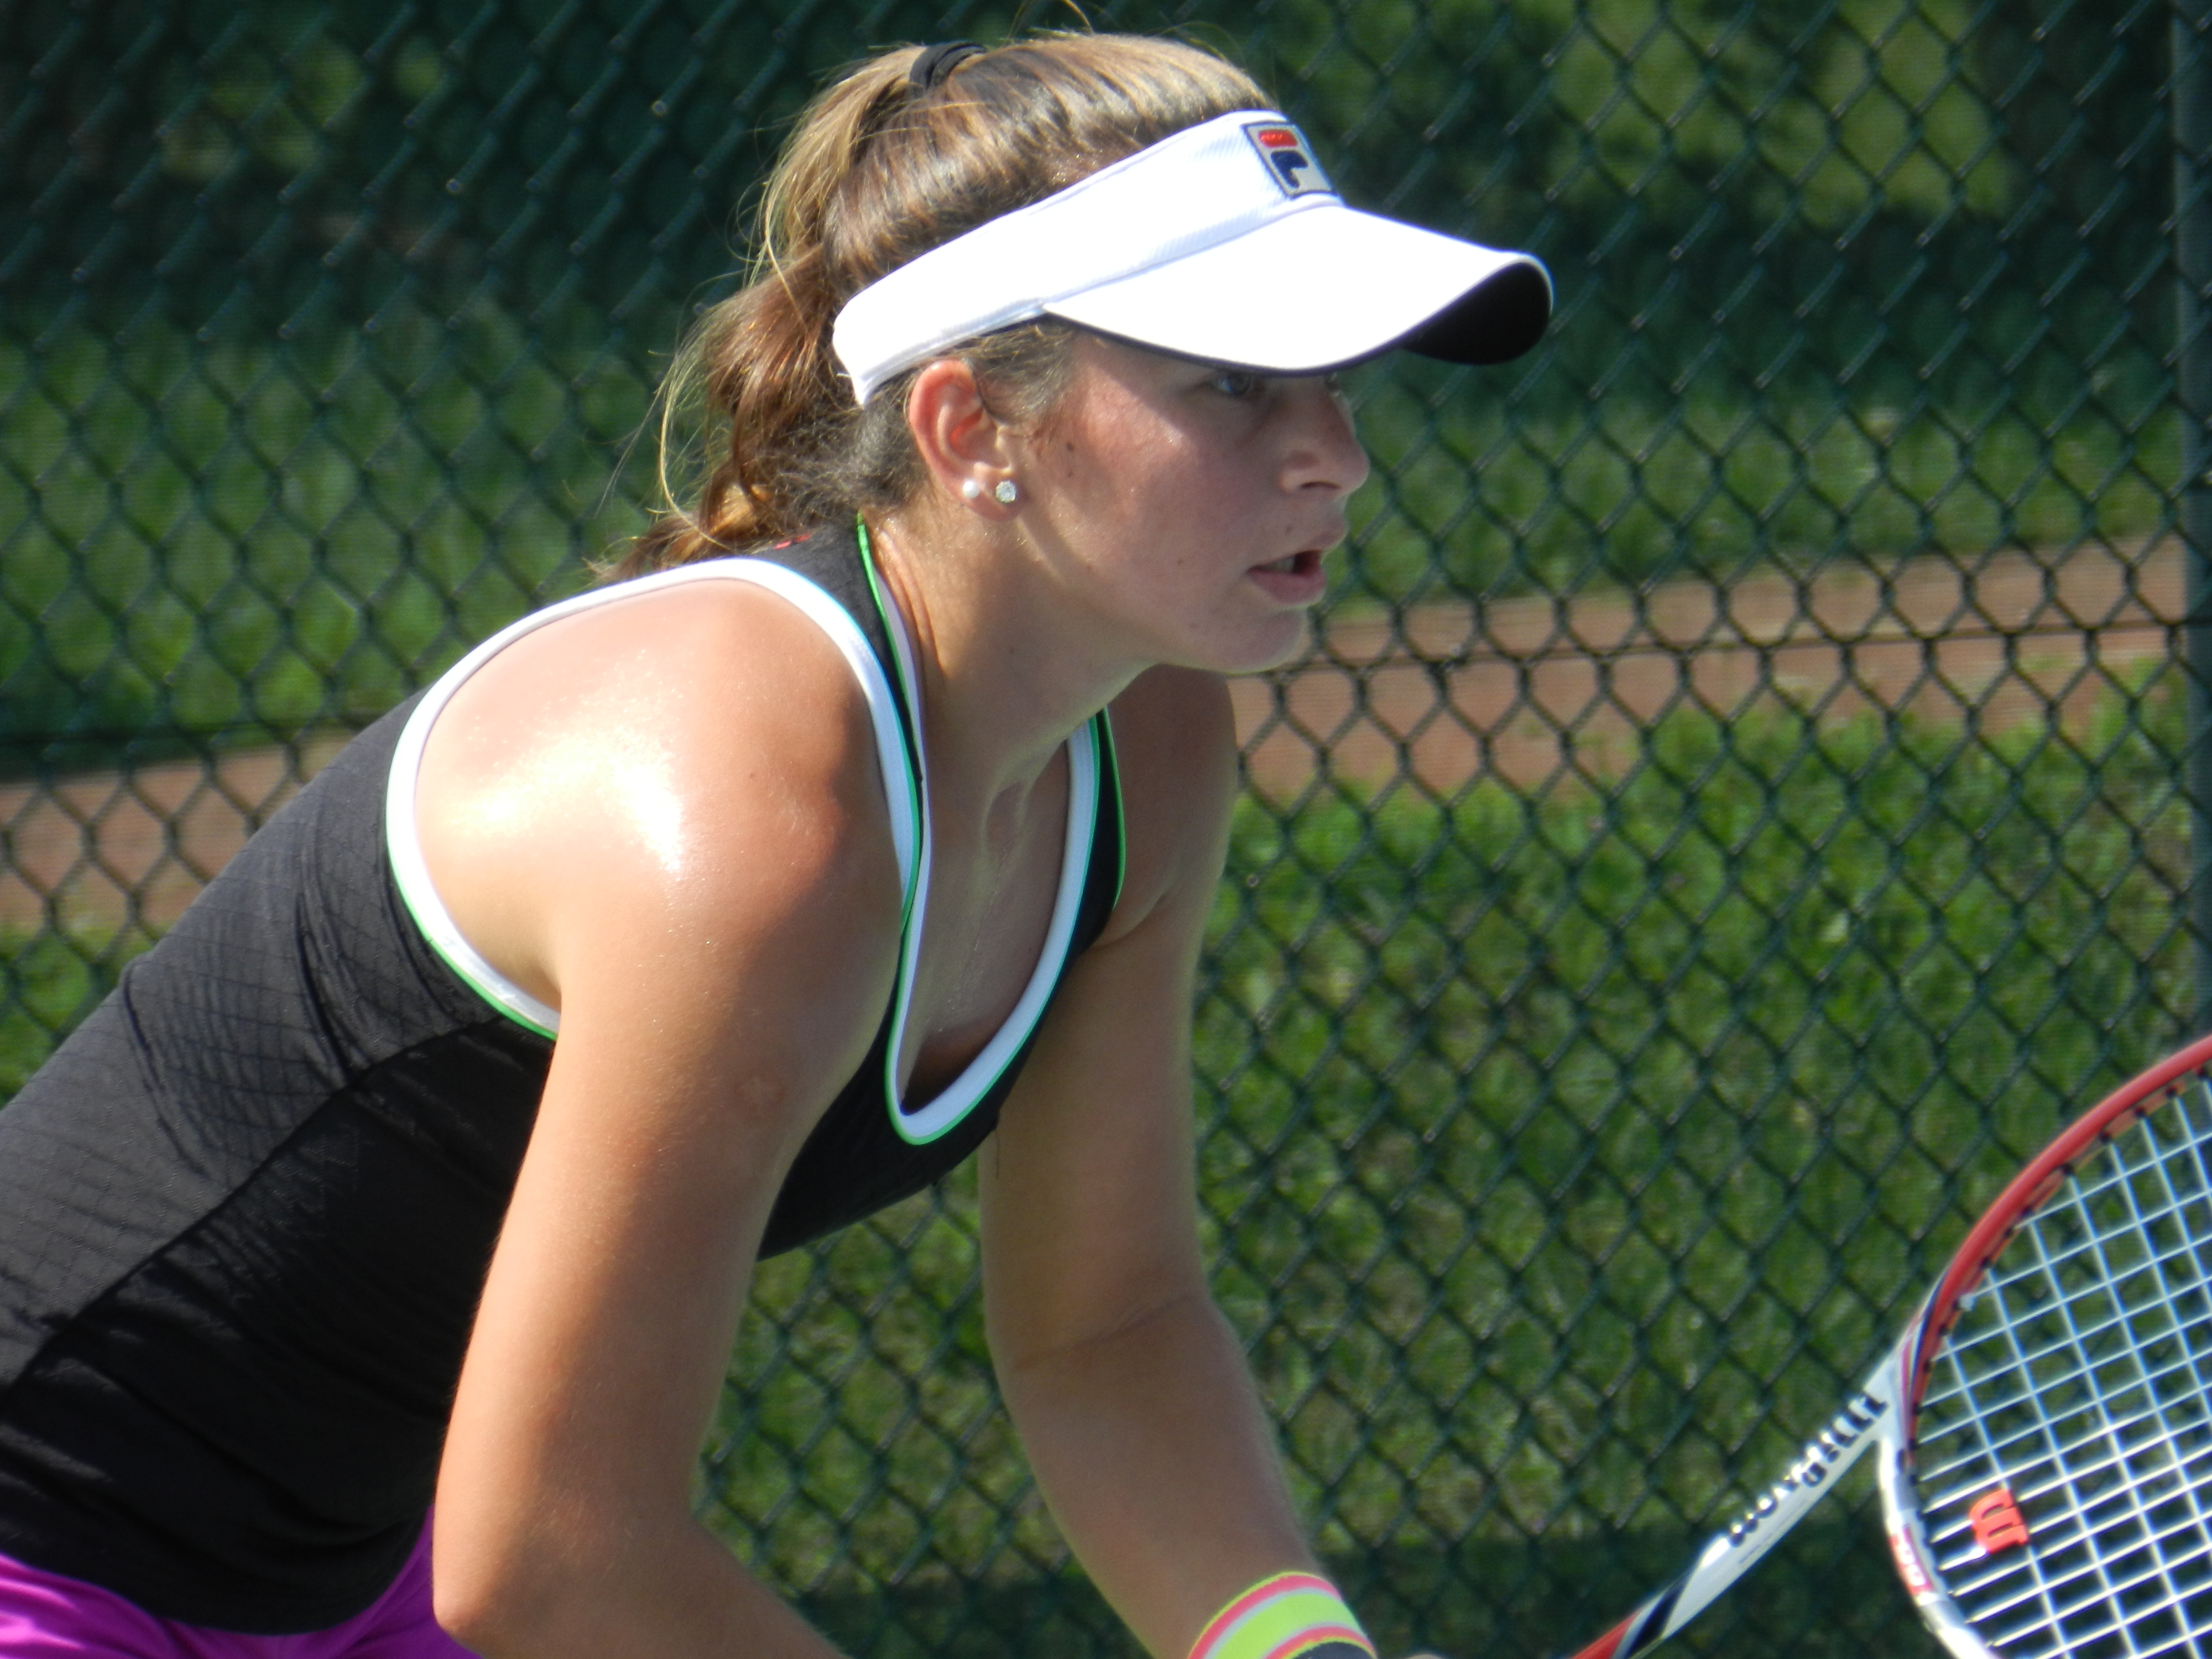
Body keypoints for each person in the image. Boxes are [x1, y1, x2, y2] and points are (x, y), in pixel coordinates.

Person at [0, 32, 1548, 1659]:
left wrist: (1293, 1648)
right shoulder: (748, 813)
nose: (1335, 454)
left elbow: (1110, 1324)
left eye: (1334, 379)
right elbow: (551, 1559)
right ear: (971, 428)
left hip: (363, 1567)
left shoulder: (1149, 747)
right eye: (1232, 382)